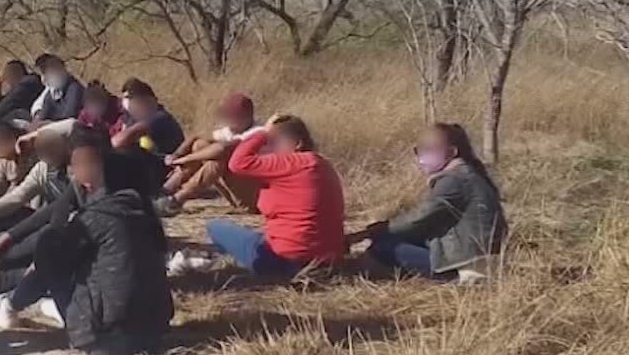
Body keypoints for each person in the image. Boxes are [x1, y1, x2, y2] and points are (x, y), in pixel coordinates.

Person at [0, 127, 173, 355]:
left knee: (49, 248)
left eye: (77, 164)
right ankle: (7, 291)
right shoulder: (140, 211)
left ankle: (8, 303)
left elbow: (53, 246)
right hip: (156, 332)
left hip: (107, 340)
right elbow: (56, 212)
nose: (72, 171)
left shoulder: (98, 216)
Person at [354, 122, 508, 279]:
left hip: (466, 265)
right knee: (398, 237)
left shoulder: (454, 180)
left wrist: (376, 230)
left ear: (452, 152)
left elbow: (418, 218)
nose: (422, 156)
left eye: (429, 150)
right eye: (419, 150)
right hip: (475, 255)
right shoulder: (467, 174)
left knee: (384, 245)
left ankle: (449, 277)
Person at [204, 116, 346, 275]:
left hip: (286, 261)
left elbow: (237, 163)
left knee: (215, 226)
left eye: (274, 142)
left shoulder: (288, 163)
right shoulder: (323, 164)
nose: (270, 149)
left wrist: (263, 132)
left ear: (297, 143)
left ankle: (229, 262)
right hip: (328, 260)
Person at [159, 92, 263, 216]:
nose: (227, 119)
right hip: (237, 193)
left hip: (255, 198)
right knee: (200, 145)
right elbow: (197, 136)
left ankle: (176, 199)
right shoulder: (231, 130)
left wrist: (186, 159)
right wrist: (177, 155)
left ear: (245, 115)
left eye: (230, 116)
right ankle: (167, 190)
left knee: (217, 161)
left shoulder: (258, 133)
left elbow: (223, 149)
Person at [27, 54, 84, 127]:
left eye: (57, 69)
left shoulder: (74, 88)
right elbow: (43, 115)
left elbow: (70, 117)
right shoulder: (51, 94)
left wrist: (48, 124)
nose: (55, 73)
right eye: (51, 71)